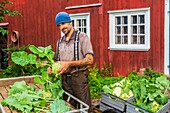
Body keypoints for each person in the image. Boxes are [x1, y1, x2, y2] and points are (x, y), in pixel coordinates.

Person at [51, 12, 94, 112]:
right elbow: (57, 61)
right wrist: (52, 67)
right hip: (65, 80)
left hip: (79, 78)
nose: (61, 27)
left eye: (63, 23)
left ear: (70, 22)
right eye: (59, 25)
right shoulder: (60, 41)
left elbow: (89, 60)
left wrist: (69, 64)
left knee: (85, 108)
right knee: (69, 107)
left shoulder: (82, 37)